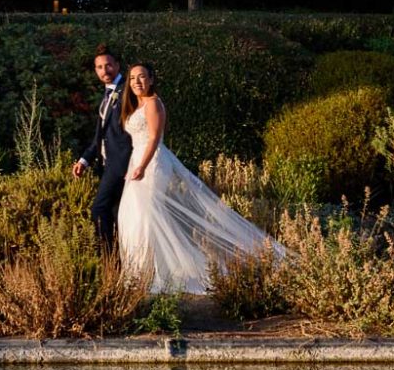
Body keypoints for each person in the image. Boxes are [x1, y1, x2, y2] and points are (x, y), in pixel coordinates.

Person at [116, 63, 280, 294]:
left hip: (151, 163)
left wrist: (142, 166)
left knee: (147, 217)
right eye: (133, 78)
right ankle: (141, 272)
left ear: (151, 79)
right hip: (138, 161)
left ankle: (152, 274)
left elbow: (153, 138)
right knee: (132, 215)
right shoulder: (137, 105)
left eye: (142, 77)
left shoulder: (153, 103)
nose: (136, 82)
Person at [72, 45, 131, 248]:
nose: (104, 71)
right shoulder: (108, 94)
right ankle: (122, 257)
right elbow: (101, 134)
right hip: (106, 164)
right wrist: (85, 159)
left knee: (99, 208)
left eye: (108, 65)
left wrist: (129, 165)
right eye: (99, 67)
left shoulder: (127, 91)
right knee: (118, 212)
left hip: (120, 165)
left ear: (117, 65)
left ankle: (108, 258)